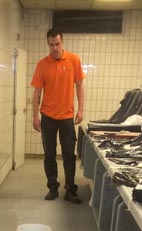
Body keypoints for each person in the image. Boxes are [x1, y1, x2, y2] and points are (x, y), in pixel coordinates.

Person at [31, 28, 85, 204]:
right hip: (48, 117)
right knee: (49, 155)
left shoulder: (73, 60)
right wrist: (35, 117)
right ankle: (52, 188)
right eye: (51, 45)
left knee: (69, 155)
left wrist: (81, 109)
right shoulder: (42, 65)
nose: (54, 48)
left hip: (67, 117)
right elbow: (37, 92)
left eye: (57, 44)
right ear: (48, 44)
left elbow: (79, 86)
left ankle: (70, 189)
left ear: (62, 42)